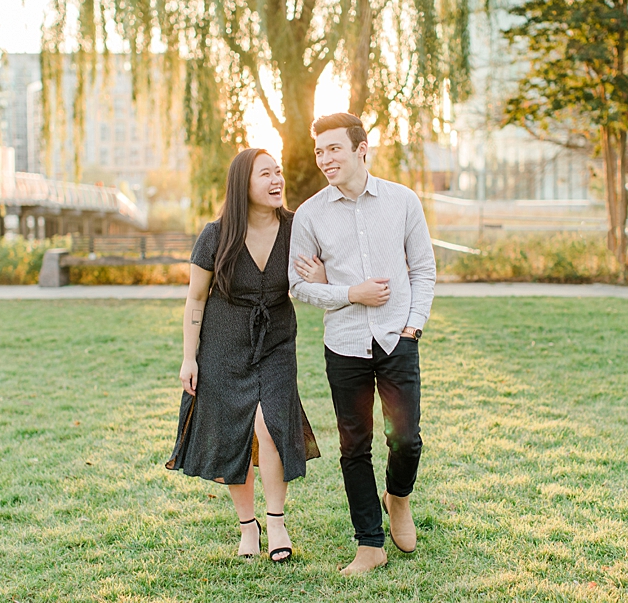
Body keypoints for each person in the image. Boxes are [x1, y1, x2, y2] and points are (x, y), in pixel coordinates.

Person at [289, 112, 435, 576]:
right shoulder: (310, 214)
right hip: (345, 343)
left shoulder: (402, 201)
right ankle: (369, 544)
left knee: (406, 439)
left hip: (397, 338)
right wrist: (349, 292)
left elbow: (423, 269)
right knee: (355, 446)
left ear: (360, 148)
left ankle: (399, 498)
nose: (324, 158)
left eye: (334, 148)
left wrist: (413, 325)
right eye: (319, 151)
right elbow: (296, 285)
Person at [166, 148, 320, 563]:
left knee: (269, 424)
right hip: (222, 343)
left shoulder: (295, 227)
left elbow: (320, 273)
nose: (276, 180)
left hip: (275, 340)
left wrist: (320, 275)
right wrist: (189, 358)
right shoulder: (216, 235)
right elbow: (196, 299)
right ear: (243, 185)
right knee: (236, 431)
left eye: (278, 172)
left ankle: (276, 522)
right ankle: (247, 528)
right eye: (265, 174)